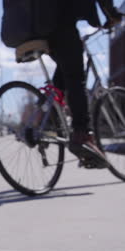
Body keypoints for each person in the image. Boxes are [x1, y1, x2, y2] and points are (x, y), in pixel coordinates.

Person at [47, 0, 123, 168]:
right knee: (75, 77)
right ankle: (82, 135)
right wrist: (112, 14)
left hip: (35, 25)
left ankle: (43, 118)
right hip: (61, 20)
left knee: (65, 70)